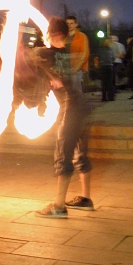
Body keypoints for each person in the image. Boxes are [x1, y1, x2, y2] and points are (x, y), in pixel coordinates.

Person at [34, 17, 92, 217]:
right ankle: (85, 198)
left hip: (70, 107)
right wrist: (52, 76)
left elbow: (25, 55)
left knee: (62, 153)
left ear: (53, 35)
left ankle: (58, 206)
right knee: (79, 151)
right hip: (82, 106)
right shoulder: (69, 52)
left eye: (48, 34)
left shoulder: (45, 53)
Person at [65, 16, 90, 93]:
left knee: (76, 90)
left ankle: (78, 105)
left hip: (76, 68)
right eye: (67, 23)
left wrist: (77, 67)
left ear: (76, 24)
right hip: (64, 67)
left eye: (72, 23)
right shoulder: (63, 36)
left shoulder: (81, 36)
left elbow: (85, 53)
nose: (69, 25)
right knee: (66, 91)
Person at [99, 38, 115, 102]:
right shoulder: (111, 50)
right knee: (110, 82)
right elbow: (113, 58)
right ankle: (110, 97)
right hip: (109, 66)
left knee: (103, 82)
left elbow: (99, 57)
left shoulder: (100, 50)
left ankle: (104, 97)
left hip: (103, 66)